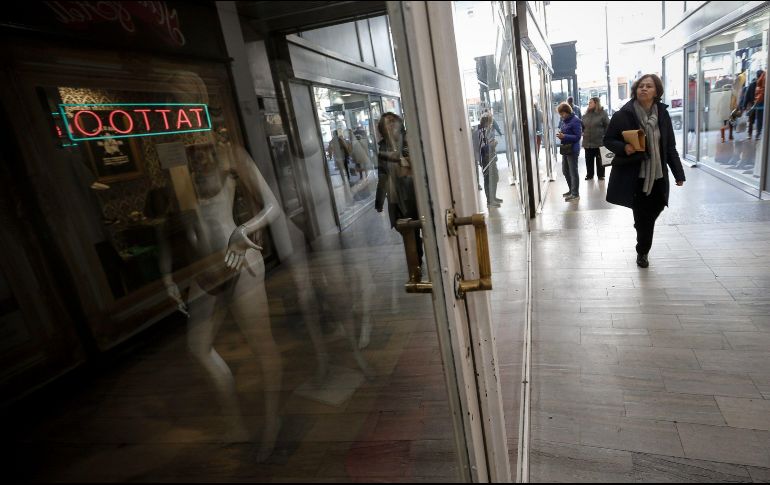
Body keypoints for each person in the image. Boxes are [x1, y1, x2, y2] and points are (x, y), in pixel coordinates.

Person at [603, 73, 686, 269]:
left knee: (654, 209)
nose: (644, 89)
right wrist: (624, 148)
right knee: (645, 217)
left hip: (657, 174)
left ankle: (641, 226)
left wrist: (678, 174)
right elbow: (608, 140)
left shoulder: (662, 115)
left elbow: (670, 146)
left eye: (649, 86)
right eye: (641, 86)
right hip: (635, 176)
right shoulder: (623, 114)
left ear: (656, 91)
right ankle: (643, 251)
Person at [375, 112, 424, 270]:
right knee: (401, 226)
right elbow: (382, 174)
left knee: (413, 225)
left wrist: (397, 158)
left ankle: (417, 258)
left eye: (392, 122)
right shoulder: (383, 146)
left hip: (411, 191)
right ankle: (416, 250)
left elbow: (413, 162)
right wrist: (379, 200)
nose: (389, 126)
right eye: (386, 123)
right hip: (395, 193)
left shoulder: (406, 140)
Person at [556, 102, 582, 201]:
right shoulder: (564, 121)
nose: (561, 116)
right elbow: (565, 131)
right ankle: (571, 190)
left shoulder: (575, 121)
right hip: (566, 148)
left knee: (573, 171)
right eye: (560, 114)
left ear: (567, 112)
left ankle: (575, 194)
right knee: (565, 170)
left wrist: (565, 136)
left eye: (562, 114)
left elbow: (578, 136)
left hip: (573, 149)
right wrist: (561, 134)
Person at [476, 113, 502, 207]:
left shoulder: (485, 131)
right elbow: (482, 147)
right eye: (490, 122)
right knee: (488, 180)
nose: (491, 124)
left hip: (490, 158)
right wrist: (492, 144)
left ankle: (493, 197)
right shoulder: (481, 132)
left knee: (495, 177)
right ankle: (490, 201)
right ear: (487, 122)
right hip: (486, 159)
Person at [581, 96, 610, 180]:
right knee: (588, 159)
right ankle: (589, 174)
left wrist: (604, 136)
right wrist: (582, 131)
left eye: (590, 102)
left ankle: (601, 175)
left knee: (599, 160)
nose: (589, 104)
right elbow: (582, 125)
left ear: (596, 103)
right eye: (589, 103)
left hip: (599, 141)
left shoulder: (602, 113)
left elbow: (608, 125)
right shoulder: (586, 114)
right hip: (587, 142)